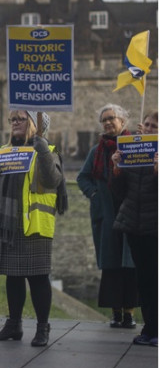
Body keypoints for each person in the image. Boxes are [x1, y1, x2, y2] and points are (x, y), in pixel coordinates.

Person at [0, 111, 65, 347]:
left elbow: (52, 180)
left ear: (36, 125)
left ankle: (42, 327)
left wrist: (43, 150)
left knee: (38, 277)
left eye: (20, 119)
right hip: (6, 223)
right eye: (12, 119)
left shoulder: (48, 150)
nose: (14, 123)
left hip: (33, 224)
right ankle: (14, 324)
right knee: (13, 276)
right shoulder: (4, 151)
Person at [77, 103, 137, 329]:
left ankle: (130, 313)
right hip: (107, 214)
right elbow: (83, 178)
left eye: (111, 118)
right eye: (104, 120)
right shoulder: (96, 151)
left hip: (131, 213)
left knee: (130, 264)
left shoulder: (134, 147)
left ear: (123, 121)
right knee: (111, 265)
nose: (108, 122)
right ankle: (116, 313)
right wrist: (94, 195)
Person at [111, 110, 158, 346]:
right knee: (145, 280)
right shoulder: (135, 153)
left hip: (155, 226)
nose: (148, 129)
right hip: (134, 224)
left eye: (154, 126)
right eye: (147, 124)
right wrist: (117, 170)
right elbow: (119, 193)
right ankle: (150, 327)